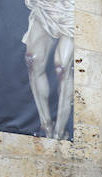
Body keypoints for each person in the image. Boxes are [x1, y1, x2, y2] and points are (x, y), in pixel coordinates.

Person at [22, 0, 74, 139]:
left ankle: (60, 131)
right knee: (32, 60)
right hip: (44, 6)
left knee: (62, 67)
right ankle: (46, 125)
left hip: (70, 9)